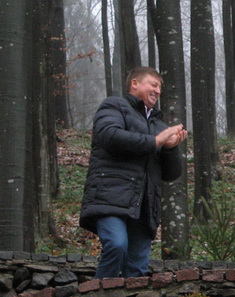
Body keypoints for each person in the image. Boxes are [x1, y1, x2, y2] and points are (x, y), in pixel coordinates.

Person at [80, 67, 188, 279]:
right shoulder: (114, 106)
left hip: (145, 206)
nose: (158, 91)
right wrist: (155, 141)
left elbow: (171, 174)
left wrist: (170, 148)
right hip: (110, 195)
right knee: (116, 245)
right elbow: (110, 135)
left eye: (160, 88)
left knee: (137, 267)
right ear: (135, 84)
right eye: (153, 85)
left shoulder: (159, 125)